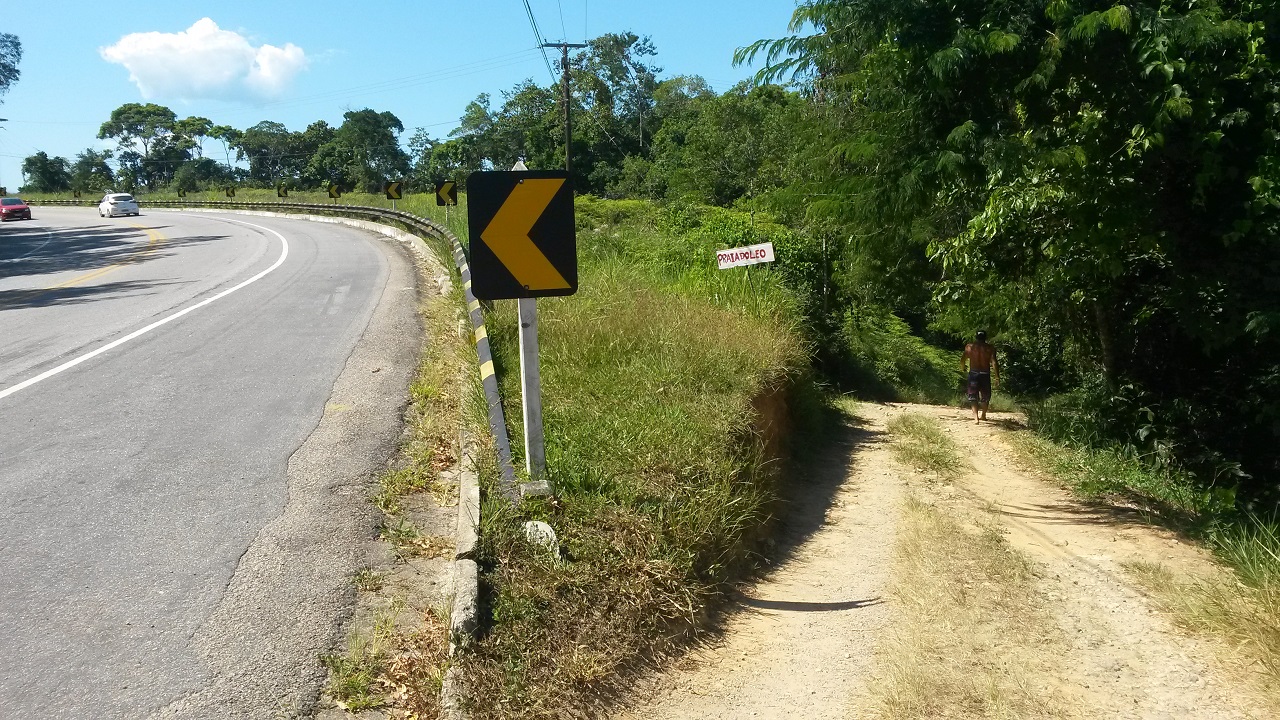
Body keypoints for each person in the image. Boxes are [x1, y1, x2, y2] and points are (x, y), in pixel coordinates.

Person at [961, 331, 999, 424]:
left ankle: (976, 418)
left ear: (976, 337)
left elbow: (963, 359)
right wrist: (997, 377)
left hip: (973, 374)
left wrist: (963, 367)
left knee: (973, 396)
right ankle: (983, 415)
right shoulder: (990, 348)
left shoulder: (969, 347)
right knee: (985, 396)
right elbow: (994, 362)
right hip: (985, 374)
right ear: (985, 337)